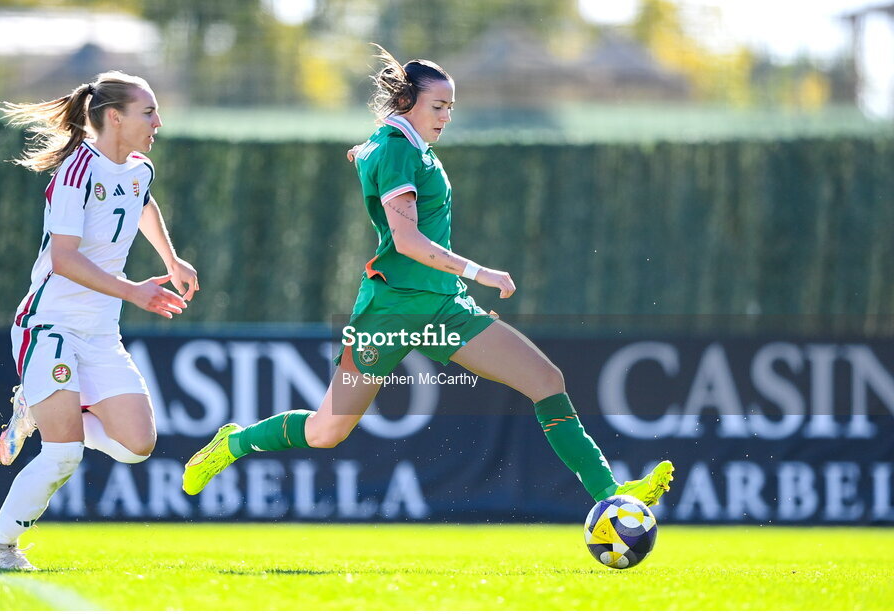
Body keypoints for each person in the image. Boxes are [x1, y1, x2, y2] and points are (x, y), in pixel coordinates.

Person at [181, 46, 672, 514]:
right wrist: (482, 272)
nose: (446, 116)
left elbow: (376, 162)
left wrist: (366, 154)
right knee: (326, 430)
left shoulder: (405, 146)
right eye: (438, 105)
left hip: (444, 306)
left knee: (546, 380)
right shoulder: (398, 149)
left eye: (451, 107)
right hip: (391, 311)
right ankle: (235, 442)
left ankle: (611, 494)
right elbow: (409, 243)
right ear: (405, 101)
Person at [0, 71, 199, 571]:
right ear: (114, 117)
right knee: (64, 455)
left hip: (100, 333)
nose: (158, 122)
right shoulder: (76, 173)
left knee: (137, 445)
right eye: (149, 112)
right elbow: (65, 260)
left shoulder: (139, 168)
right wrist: (134, 292)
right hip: (49, 325)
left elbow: (142, 203)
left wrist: (171, 260)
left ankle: (43, 409)